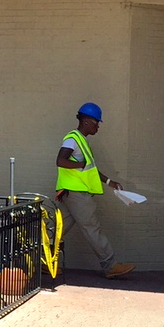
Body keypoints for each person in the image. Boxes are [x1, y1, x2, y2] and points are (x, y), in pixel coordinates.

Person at [55, 102, 135, 279]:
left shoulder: (82, 141)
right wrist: (79, 164)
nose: (98, 126)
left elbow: (90, 169)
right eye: (96, 122)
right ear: (86, 121)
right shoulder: (72, 139)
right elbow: (60, 161)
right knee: (92, 228)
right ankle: (110, 265)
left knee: (58, 228)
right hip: (76, 194)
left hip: (71, 193)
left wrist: (109, 182)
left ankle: (42, 260)